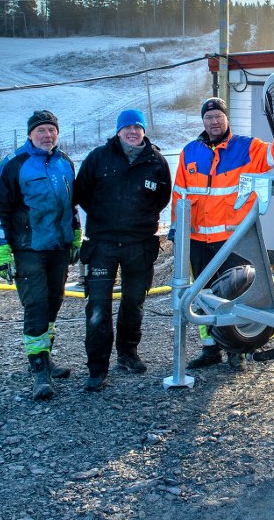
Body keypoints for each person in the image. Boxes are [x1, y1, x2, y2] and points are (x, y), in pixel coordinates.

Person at [171, 96, 274, 370]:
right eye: (209, 117)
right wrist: (176, 228)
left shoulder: (247, 148)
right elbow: (180, 195)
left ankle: (236, 351)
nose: (214, 122)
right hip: (198, 241)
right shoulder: (189, 153)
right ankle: (210, 349)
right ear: (203, 121)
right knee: (201, 295)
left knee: (235, 293)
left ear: (226, 118)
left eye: (218, 116)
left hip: (232, 240)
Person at [73, 109, 172, 392]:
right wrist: (106, 218)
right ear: (118, 131)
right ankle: (97, 368)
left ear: (143, 131)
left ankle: (128, 354)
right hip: (102, 244)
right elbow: (81, 194)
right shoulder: (98, 158)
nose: (132, 132)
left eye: (137, 127)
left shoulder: (156, 161)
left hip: (139, 244)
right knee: (98, 307)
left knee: (134, 302)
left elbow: (162, 198)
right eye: (127, 127)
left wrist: (137, 220)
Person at [0, 110, 82, 401]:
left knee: (53, 303)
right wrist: (1, 250)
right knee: (36, 305)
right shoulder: (14, 164)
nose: (47, 135)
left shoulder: (64, 162)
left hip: (58, 247)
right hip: (28, 248)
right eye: (41, 130)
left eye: (51, 130)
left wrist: (76, 234)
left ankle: (46, 357)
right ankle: (38, 370)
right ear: (30, 134)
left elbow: (71, 204)